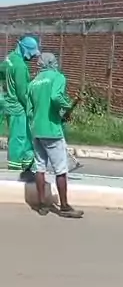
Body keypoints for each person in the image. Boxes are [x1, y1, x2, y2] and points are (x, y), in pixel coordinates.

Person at [27, 52, 83, 218]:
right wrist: (67, 108)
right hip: (52, 130)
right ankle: (64, 207)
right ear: (52, 62)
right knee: (60, 169)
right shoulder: (58, 77)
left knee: (39, 167)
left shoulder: (33, 83)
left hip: (36, 130)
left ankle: (41, 205)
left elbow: (29, 111)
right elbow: (55, 97)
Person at [3, 35, 40, 174]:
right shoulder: (20, 66)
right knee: (19, 137)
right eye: (32, 53)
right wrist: (33, 107)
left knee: (25, 136)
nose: (33, 57)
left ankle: (27, 162)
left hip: (9, 103)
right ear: (24, 48)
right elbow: (22, 93)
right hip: (18, 107)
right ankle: (15, 167)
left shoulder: (9, 59)